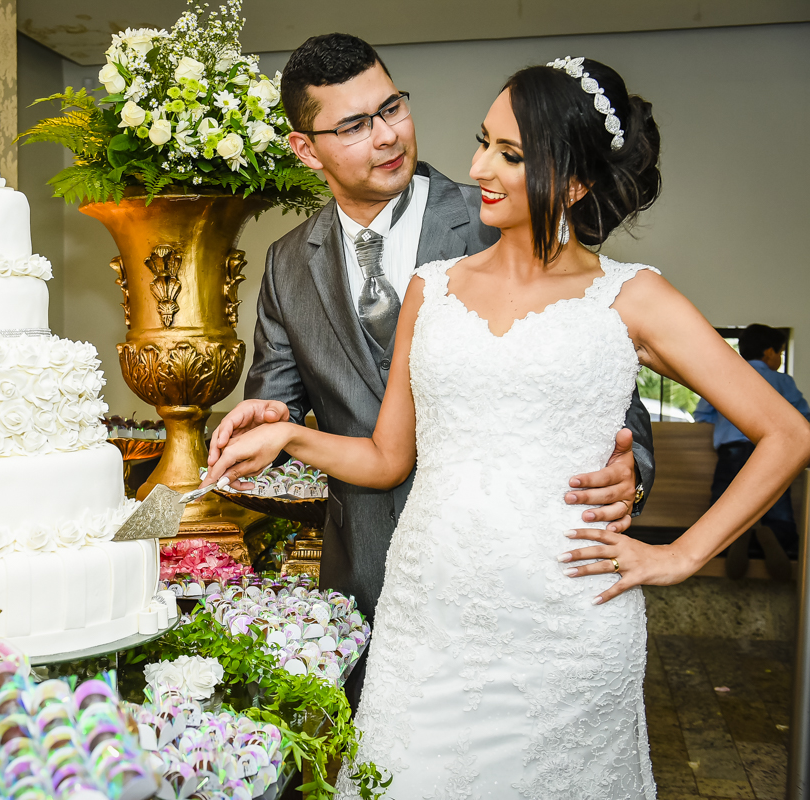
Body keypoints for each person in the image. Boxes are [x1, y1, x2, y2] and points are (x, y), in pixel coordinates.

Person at [204, 57, 810, 798]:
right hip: (426, 619)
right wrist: (290, 436)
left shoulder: (633, 300)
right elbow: (387, 459)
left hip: (567, 628)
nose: (477, 166)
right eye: (483, 141)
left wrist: (680, 556)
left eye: (510, 155)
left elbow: (788, 432)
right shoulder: (433, 289)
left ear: (577, 180)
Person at [206, 33, 654, 709]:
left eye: (392, 108)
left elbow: (597, 372)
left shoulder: (504, 211)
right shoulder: (287, 263)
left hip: (510, 578)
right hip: (362, 576)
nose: (386, 136)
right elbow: (280, 404)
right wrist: (271, 418)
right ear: (306, 149)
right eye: (355, 125)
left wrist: (632, 468)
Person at [695, 324, 810, 576]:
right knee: (777, 502)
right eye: (779, 353)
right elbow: (803, 420)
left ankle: (729, 537)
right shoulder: (782, 381)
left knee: (723, 500)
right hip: (775, 451)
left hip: (732, 449)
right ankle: (775, 537)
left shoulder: (724, 376)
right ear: (769, 353)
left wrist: (728, 425)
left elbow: (703, 416)